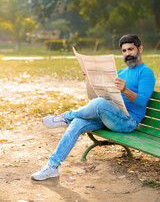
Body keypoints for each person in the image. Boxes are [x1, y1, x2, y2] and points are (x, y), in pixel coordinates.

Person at [31, 34, 155, 181]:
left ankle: (67, 116)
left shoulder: (146, 73)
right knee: (78, 122)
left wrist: (125, 90)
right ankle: (52, 167)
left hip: (128, 122)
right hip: (110, 117)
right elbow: (101, 93)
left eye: (130, 49)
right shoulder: (121, 72)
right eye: (124, 51)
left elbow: (141, 101)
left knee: (99, 104)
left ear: (140, 49)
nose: (127, 54)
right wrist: (91, 79)